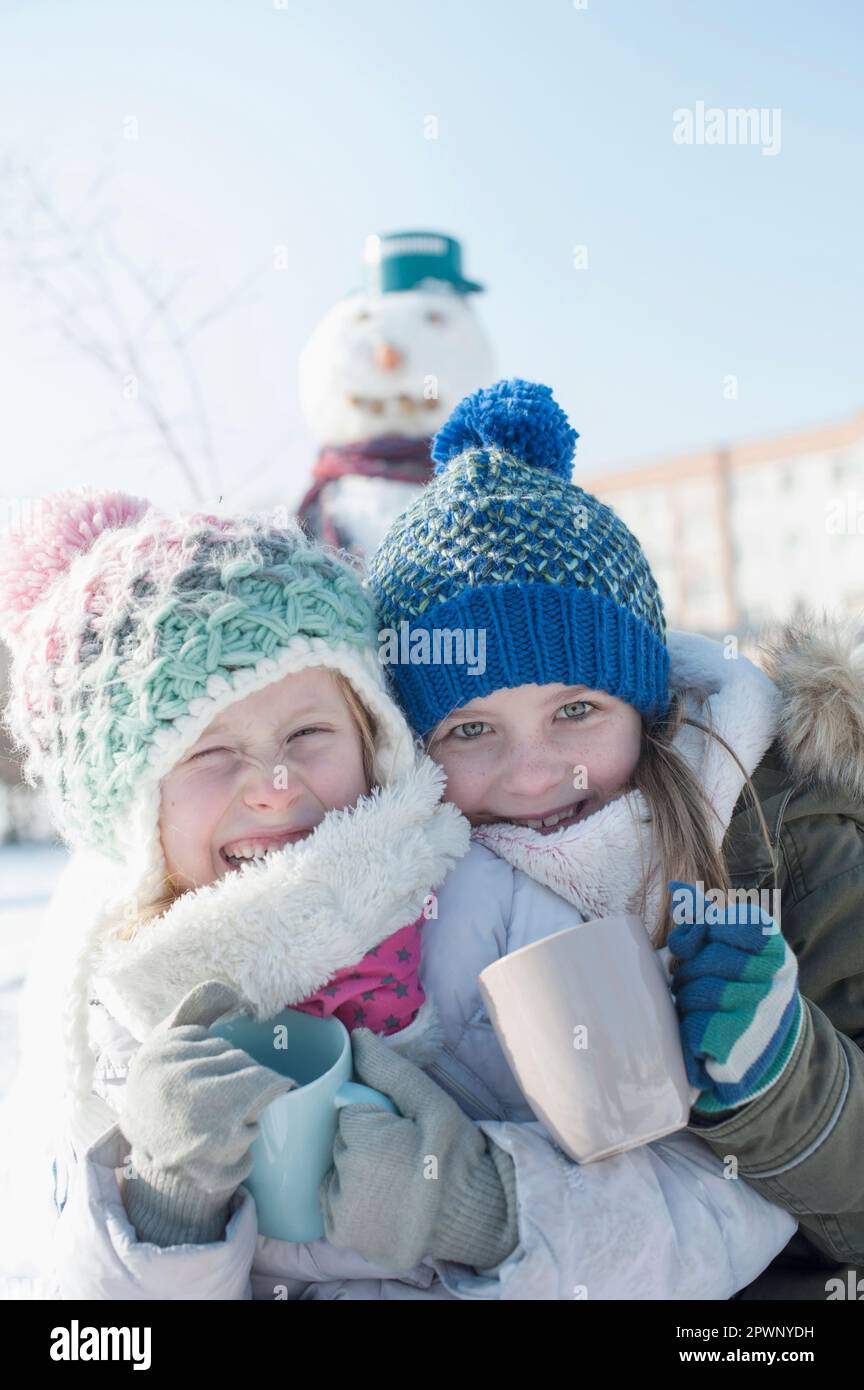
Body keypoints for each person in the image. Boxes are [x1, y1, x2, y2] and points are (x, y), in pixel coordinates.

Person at [0, 486, 795, 1300]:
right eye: (209, 753)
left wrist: (492, 1211)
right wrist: (166, 1217)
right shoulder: (123, 1015)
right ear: (134, 812)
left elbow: (723, 1207)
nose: (274, 786)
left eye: (308, 734)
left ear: (374, 735)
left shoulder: (488, 899)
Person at [365, 376, 864, 1301]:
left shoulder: (789, 835)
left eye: (577, 710)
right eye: (471, 729)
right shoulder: (402, 892)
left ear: (648, 703)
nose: (533, 773)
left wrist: (786, 1082)